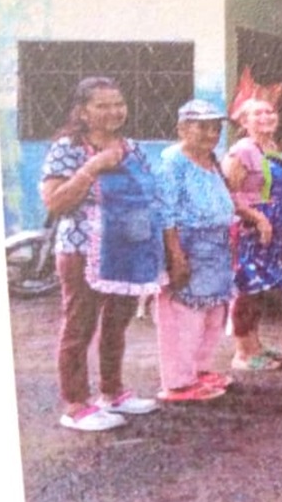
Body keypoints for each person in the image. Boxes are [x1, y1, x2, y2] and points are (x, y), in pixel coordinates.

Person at [41, 76, 161, 431]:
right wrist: (94, 166)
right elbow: (55, 202)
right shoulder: (67, 148)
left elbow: (148, 194)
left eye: (118, 104)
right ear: (83, 111)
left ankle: (112, 392)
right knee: (79, 326)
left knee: (117, 323)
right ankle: (76, 405)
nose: (114, 111)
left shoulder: (132, 147)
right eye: (102, 105)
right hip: (83, 249)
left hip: (126, 250)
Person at [154, 100, 235, 402]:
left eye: (215, 127)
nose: (211, 133)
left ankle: (198, 370)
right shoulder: (173, 163)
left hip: (216, 244)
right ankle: (178, 382)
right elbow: (166, 213)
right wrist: (176, 256)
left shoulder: (211, 160)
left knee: (212, 312)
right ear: (182, 129)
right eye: (202, 127)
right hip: (189, 244)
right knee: (184, 315)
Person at [223, 98, 282, 372]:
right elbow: (228, 194)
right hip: (250, 227)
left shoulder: (273, 149)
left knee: (261, 288)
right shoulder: (242, 150)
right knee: (247, 288)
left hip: (274, 224)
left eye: (270, 111)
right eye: (258, 113)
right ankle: (242, 352)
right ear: (244, 121)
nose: (266, 117)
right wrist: (258, 219)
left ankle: (255, 344)